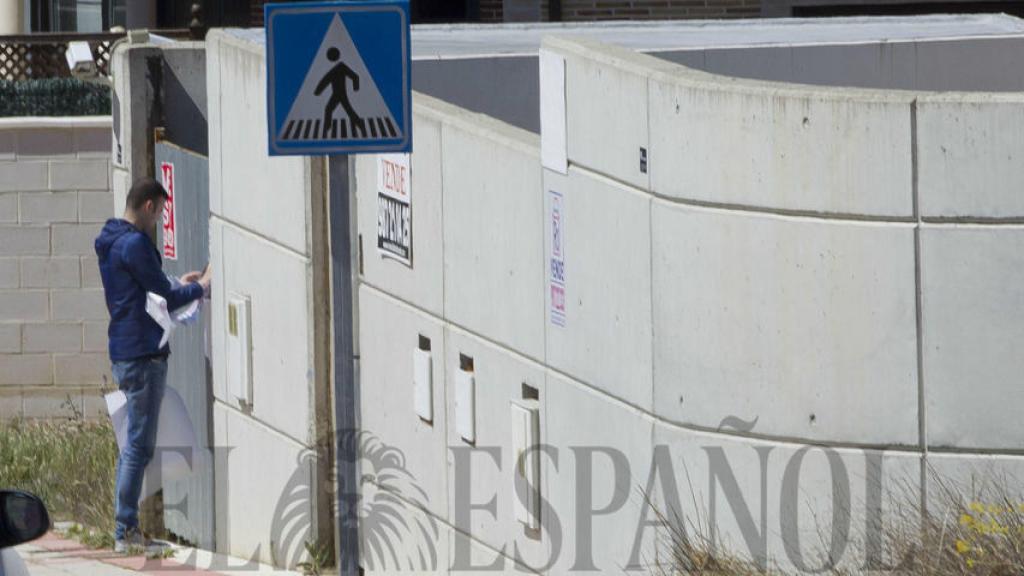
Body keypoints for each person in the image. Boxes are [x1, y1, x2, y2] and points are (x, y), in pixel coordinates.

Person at [94, 177, 211, 553]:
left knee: (136, 443)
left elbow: (147, 289)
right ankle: (125, 530)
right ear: (148, 206)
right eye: (160, 213)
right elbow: (164, 296)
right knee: (138, 447)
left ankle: (126, 527)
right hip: (143, 356)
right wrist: (201, 287)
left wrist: (179, 281)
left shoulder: (112, 242)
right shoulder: (134, 244)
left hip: (125, 350)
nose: (159, 221)